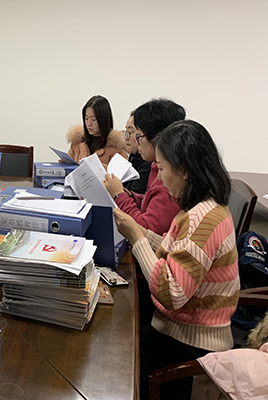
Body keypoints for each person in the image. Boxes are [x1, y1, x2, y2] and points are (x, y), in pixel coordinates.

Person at [113, 120, 240, 399]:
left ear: (183, 169)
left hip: (193, 347)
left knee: (117, 362)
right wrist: (143, 234)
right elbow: (177, 252)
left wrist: (137, 239)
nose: (159, 178)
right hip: (182, 331)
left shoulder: (201, 219)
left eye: (162, 168)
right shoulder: (203, 208)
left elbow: (171, 292)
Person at [103, 98, 184, 235]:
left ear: (158, 137)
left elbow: (146, 230)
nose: (136, 140)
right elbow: (150, 203)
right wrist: (130, 195)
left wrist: (119, 195)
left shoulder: (169, 179)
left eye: (139, 135)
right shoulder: (156, 166)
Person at [66, 95, 128, 167]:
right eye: (86, 118)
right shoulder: (78, 142)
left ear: (103, 120)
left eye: (93, 119)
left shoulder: (116, 148)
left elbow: (121, 172)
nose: (89, 124)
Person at [122, 112, 152, 194]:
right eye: (126, 132)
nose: (126, 137)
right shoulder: (133, 156)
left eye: (131, 132)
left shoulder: (149, 163)